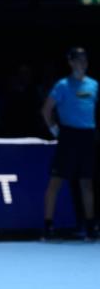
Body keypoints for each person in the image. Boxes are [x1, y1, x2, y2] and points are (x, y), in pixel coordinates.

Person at [41, 47, 98, 241]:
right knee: (55, 182)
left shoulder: (94, 85)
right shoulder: (62, 85)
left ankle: (90, 227)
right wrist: (55, 130)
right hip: (68, 136)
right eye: (78, 60)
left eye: (84, 59)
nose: (82, 63)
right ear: (71, 62)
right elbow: (46, 110)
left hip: (87, 137)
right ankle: (48, 227)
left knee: (87, 184)